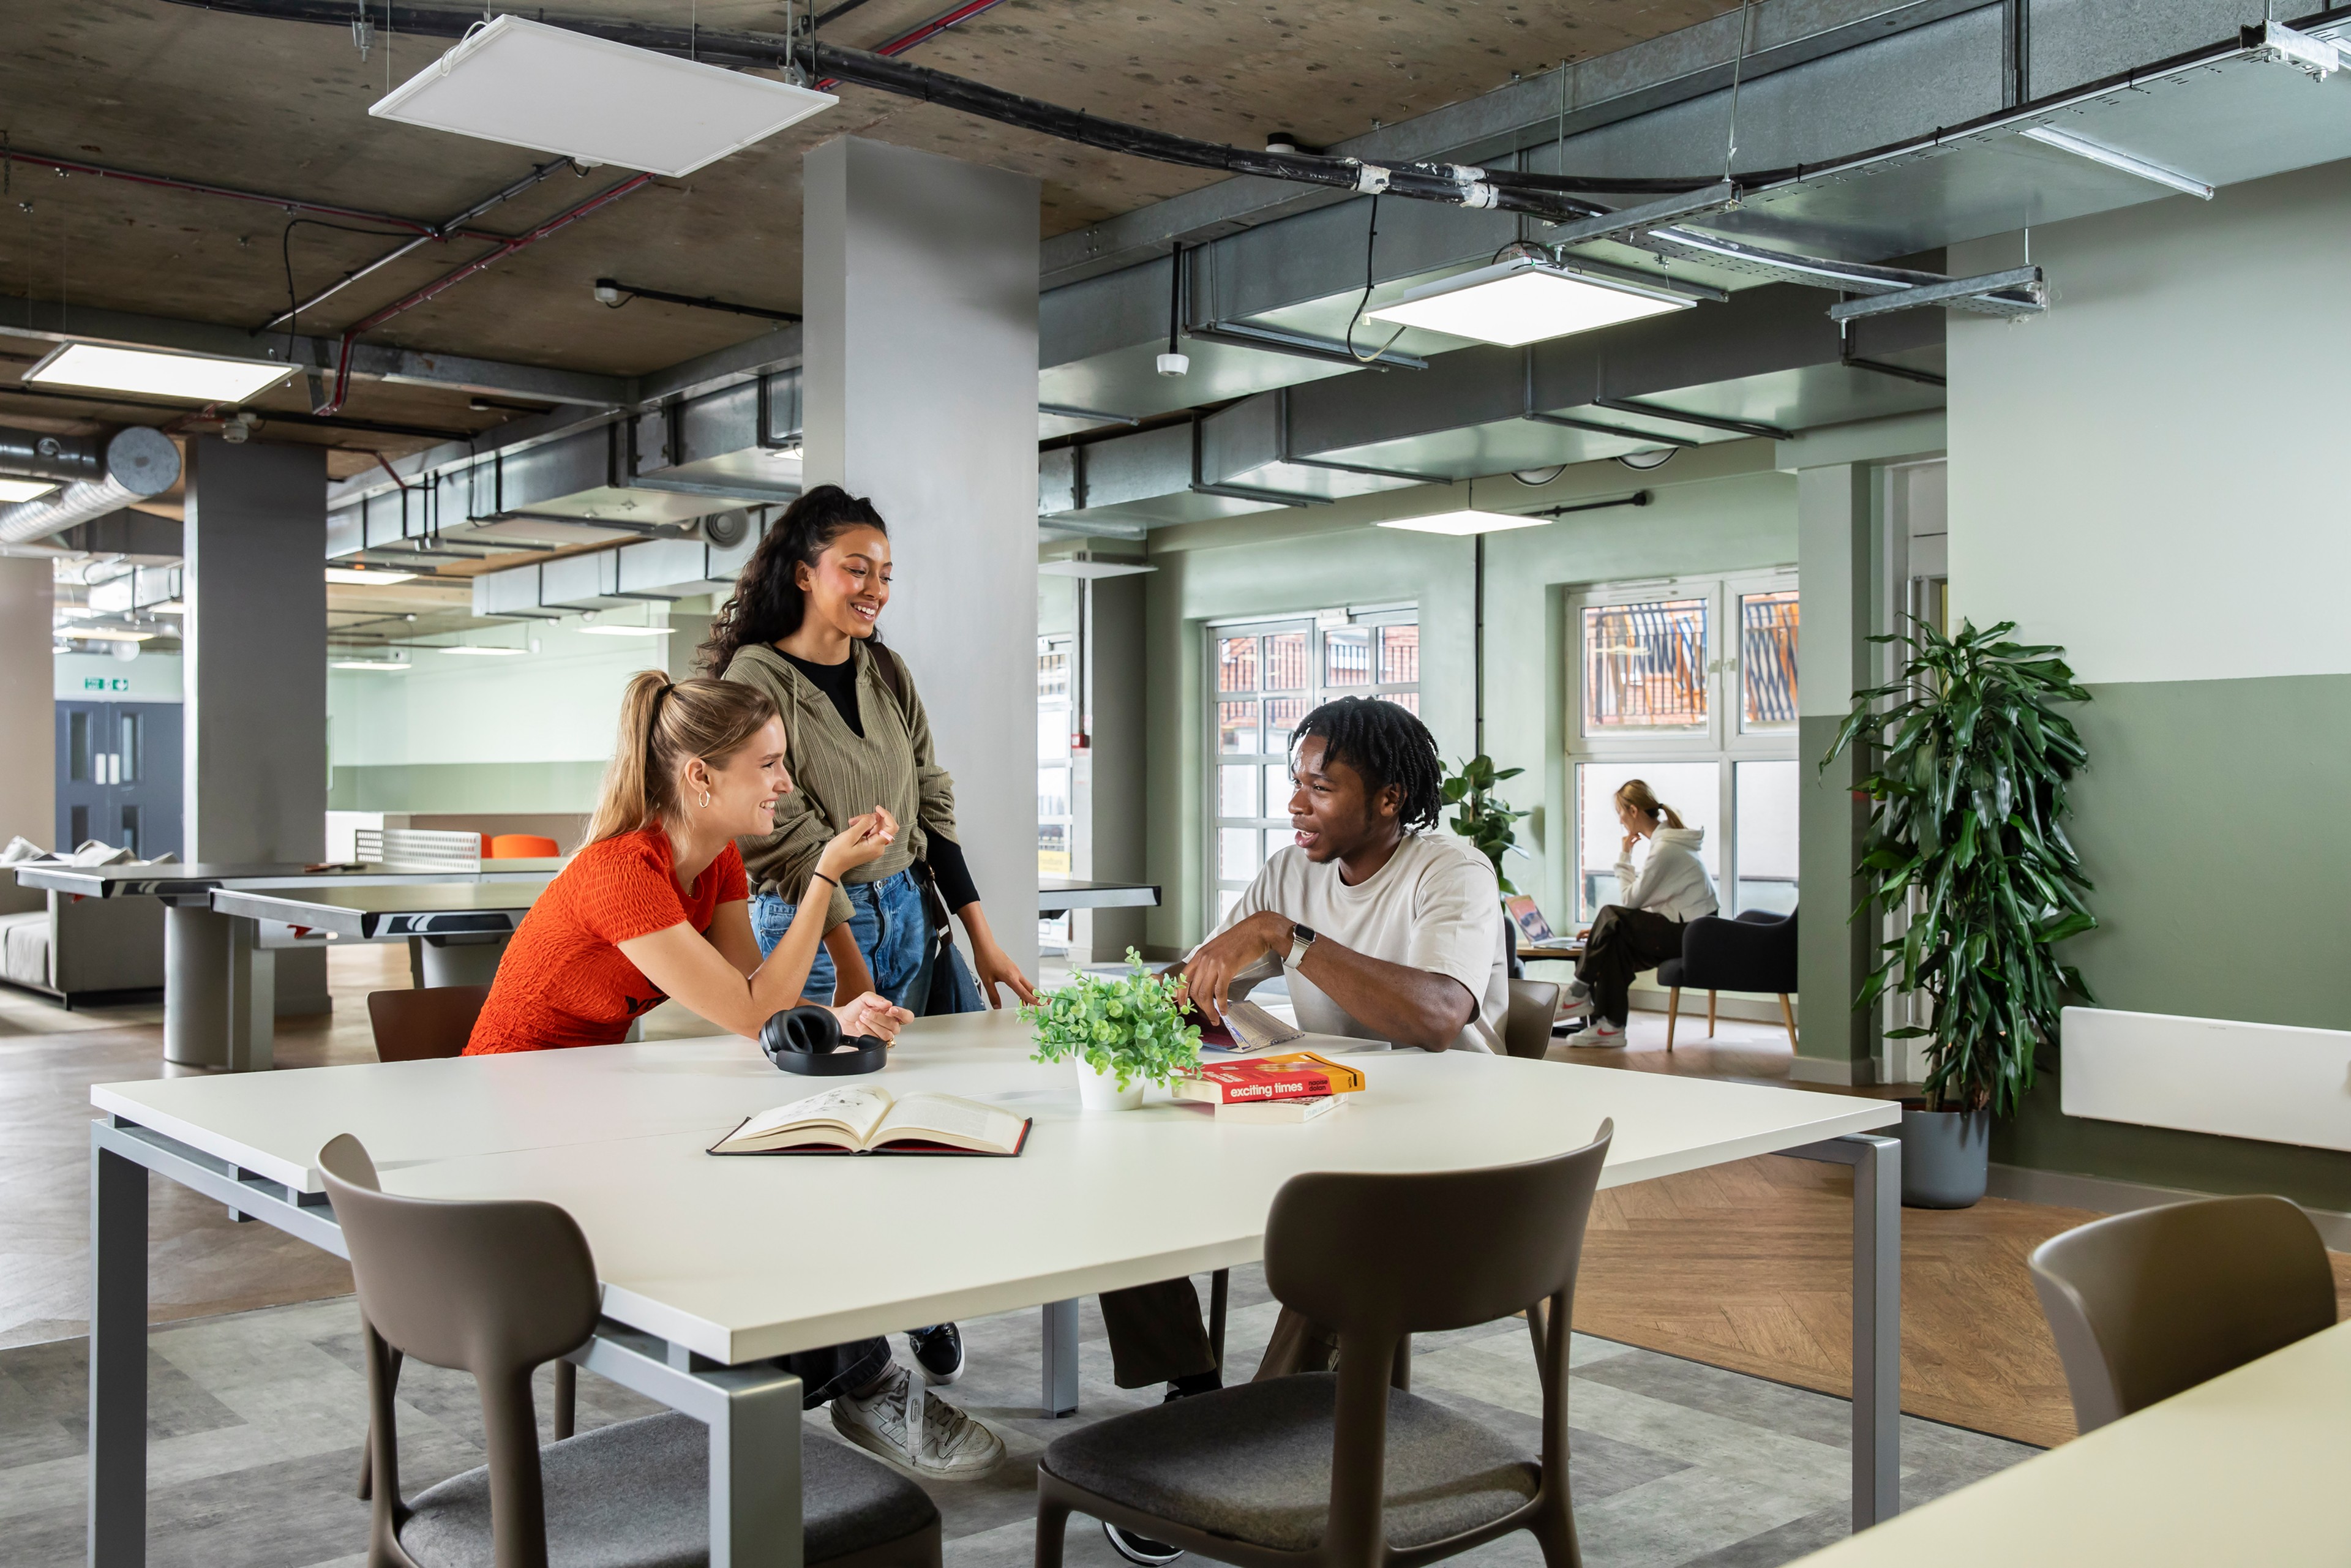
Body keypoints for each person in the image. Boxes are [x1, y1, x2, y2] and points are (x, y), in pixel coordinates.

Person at [465, 672, 1007, 1480]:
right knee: (741, 1193)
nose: (787, 784)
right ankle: (853, 1386)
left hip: (587, 1097)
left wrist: (830, 1020)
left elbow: (762, 1004)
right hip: (505, 1125)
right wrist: (823, 875)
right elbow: (754, 1008)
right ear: (701, 776)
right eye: (770, 765)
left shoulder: (713, 864)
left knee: (778, 1171)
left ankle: (797, 1388)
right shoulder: (622, 873)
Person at [1089, 694, 1507, 1566]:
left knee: (1335, 1229)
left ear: (1388, 798)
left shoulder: (1450, 871)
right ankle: (1196, 1390)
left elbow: (1437, 1015)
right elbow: (1207, 981)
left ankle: (1233, 1457)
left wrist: (1290, 938)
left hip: (1449, 1139)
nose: (1296, 804)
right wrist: (1158, 994)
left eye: (1321, 786)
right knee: (1130, 1167)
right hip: (1329, 1111)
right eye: (1294, 784)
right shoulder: (1290, 869)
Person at [703, 484, 1036, 1392]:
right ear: (804, 572)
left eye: (886, 572)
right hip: (808, 924)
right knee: (830, 1135)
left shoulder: (886, 672)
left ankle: (923, 1297)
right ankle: (839, 1342)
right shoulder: (755, 680)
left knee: (935, 1118)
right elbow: (788, 836)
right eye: (857, 568)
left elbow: (932, 799)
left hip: (912, 913)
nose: (875, 587)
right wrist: (850, 976)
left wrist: (982, 936)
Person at [1560, 778, 1719, 1045]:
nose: (1621, 820)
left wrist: (1624, 857)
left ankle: (1577, 991)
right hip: (1689, 930)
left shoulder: (1666, 849)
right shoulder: (1669, 843)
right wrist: (1604, 929)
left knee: (1612, 913)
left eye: (1620, 812)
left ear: (1633, 811)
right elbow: (1648, 902)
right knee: (1614, 942)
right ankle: (1610, 1028)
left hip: (1694, 935)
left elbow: (1629, 901)